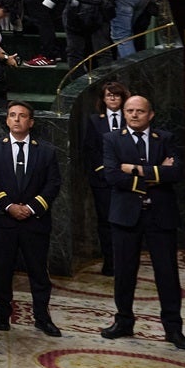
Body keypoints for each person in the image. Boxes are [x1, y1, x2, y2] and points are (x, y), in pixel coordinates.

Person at [100, 95, 185, 349]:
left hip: (160, 216)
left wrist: (135, 169)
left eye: (140, 111)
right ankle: (124, 322)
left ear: (150, 114)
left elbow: (176, 173)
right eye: (129, 111)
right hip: (125, 216)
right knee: (124, 272)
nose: (134, 115)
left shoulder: (166, 138)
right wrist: (156, 173)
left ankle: (173, 329)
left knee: (167, 274)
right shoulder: (112, 139)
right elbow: (113, 177)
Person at [0, 101, 63, 337]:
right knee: (3, 270)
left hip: (35, 222)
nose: (17, 119)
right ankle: (2, 314)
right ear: (7, 120)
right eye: (12, 115)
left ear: (31, 122)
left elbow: (53, 184)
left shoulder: (46, 151)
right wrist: (9, 206)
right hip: (4, 222)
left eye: (22, 116)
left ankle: (42, 317)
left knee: (38, 272)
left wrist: (30, 207)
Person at [81, 79, 132, 275]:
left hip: (127, 178)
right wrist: (102, 171)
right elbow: (90, 150)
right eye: (109, 95)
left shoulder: (131, 118)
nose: (112, 98)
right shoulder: (95, 120)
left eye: (116, 95)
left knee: (126, 220)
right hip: (102, 181)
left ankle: (125, 261)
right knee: (105, 221)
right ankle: (109, 262)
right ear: (103, 99)